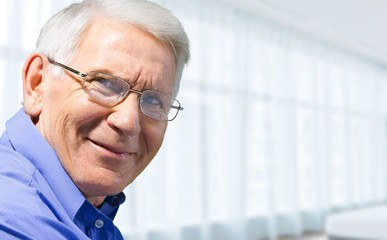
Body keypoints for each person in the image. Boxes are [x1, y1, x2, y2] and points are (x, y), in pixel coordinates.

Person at [0, 0, 190, 239]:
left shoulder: (84, 212)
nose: (129, 122)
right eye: (104, 83)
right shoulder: (12, 222)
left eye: (153, 101)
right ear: (37, 84)